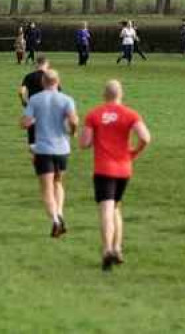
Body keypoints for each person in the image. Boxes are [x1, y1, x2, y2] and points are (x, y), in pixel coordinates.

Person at [79, 80, 151, 270]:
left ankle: (107, 250)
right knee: (116, 208)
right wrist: (133, 153)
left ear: (104, 95)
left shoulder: (94, 114)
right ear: (121, 95)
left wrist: (94, 136)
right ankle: (118, 248)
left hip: (103, 169)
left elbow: (84, 143)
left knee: (106, 209)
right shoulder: (130, 114)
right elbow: (145, 137)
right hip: (124, 169)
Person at [20, 69, 78, 237]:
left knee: (46, 188)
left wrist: (28, 121)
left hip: (43, 149)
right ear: (58, 82)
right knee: (58, 183)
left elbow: (25, 123)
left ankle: (55, 220)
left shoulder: (35, 100)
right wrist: (73, 131)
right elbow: (74, 120)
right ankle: (59, 213)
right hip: (62, 149)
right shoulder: (67, 99)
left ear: (43, 82)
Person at [19, 55, 53, 152]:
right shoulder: (50, 77)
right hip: (48, 108)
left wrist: (23, 101)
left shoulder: (29, 76)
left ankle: (34, 150)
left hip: (33, 108)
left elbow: (21, 91)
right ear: (46, 64)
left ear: (36, 64)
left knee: (32, 136)